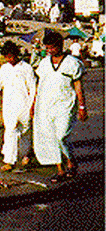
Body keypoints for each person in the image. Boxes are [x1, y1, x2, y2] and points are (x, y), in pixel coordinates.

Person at [32, 31, 88, 182]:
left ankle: (70, 160)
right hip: (46, 105)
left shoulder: (72, 63)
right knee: (50, 137)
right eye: (47, 48)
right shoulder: (44, 63)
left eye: (52, 47)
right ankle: (60, 169)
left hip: (66, 105)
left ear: (60, 46)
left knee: (61, 135)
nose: (49, 50)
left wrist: (82, 106)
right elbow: (40, 85)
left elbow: (78, 85)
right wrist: (33, 104)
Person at [0, 41, 36, 171]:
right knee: (10, 131)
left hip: (24, 105)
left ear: (16, 54)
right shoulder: (5, 68)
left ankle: (25, 154)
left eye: (11, 56)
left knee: (25, 132)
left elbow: (32, 88)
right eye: (7, 57)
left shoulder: (26, 68)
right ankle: (9, 161)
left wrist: (32, 105)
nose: (9, 59)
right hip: (9, 106)